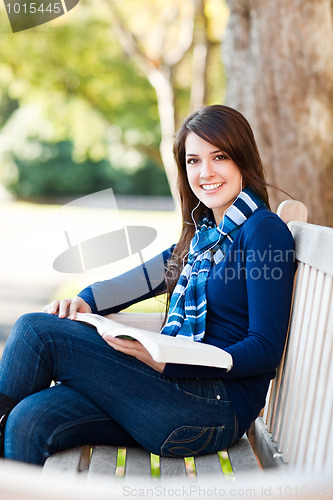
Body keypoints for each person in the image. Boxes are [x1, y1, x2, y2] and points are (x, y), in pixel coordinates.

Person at [0, 105, 295, 465]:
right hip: (171, 396)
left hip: (211, 409)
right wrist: (84, 301)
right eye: (193, 161)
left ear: (242, 159)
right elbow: (137, 281)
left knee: (37, 331)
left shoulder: (262, 232)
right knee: (28, 419)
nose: (206, 172)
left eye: (219, 157)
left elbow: (265, 349)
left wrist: (165, 363)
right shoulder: (203, 240)